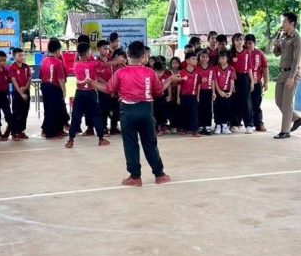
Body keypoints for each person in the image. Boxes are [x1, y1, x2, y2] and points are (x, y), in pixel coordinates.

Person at [105, 41, 170, 186]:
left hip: (127, 112)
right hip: (146, 110)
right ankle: (159, 175)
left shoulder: (120, 72)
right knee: (150, 143)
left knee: (130, 144)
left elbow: (109, 89)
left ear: (128, 54)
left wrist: (92, 83)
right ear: (143, 56)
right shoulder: (150, 72)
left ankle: (135, 177)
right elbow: (159, 92)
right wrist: (170, 80)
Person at [66, 42, 110, 148]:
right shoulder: (93, 64)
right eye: (90, 51)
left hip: (80, 93)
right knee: (96, 115)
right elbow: (106, 64)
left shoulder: (76, 64)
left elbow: (78, 81)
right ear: (87, 53)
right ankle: (101, 139)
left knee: (76, 116)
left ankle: (70, 140)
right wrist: (117, 61)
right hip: (91, 93)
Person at [273, 12, 301, 139]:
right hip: (282, 73)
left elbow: (296, 60)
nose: (283, 24)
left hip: (292, 73)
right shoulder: (283, 36)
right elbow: (277, 54)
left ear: (292, 23)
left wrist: (291, 77)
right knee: (278, 101)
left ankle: (285, 131)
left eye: (285, 22)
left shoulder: (297, 38)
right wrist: (276, 46)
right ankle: (297, 119)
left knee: (287, 103)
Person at [40, 38, 67, 139]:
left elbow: (41, 75)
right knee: (57, 109)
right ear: (57, 50)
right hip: (54, 88)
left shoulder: (44, 60)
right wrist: (64, 91)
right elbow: (61, 79)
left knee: (48, 109)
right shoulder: (58, 62)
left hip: (45, 86)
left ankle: (49, 131)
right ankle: (55, 131)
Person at [229, 33, 254, 132]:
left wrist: (252, 80)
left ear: (243, 41)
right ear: (233, 42)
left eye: (241, 40)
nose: (239, 42)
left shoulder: (247, 52)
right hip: (234, 78)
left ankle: (249, 125)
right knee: (234, 101)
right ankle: (235, 123)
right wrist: (232, 82)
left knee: (246, 101)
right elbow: (229, 69)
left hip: (245, 78)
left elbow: (249, 67)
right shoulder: (231, 53)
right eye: (237, 40)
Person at [245, 34, 268, 132]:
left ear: (254, 43)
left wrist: (266, 82)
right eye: (246, 43)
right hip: (245, 84)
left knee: (256, 104)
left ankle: (259, 124)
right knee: (246, 104)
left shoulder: (260, 54)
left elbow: (265, 68)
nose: (248, 45)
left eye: (250, 43)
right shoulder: (243, 53)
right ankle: (247, 124)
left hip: (257, 83)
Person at [9, 48, 31, 140]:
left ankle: (21, 131)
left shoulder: (26, 67)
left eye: (23, 55)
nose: (22, 57)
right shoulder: (12, 67)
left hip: (26, 91)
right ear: (14, 57)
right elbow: (14, 81)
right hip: (17, 93)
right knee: (16, 112)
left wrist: (25, 88)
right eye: (19, 55)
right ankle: (15, 132)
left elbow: (29, 79)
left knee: (24, 112)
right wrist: (21, 93)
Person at [178, 52, 202, 137]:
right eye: (193, 59)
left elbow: (199, 85)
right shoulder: (182, 72)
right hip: (184, 96)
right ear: (187, 61)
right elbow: (179, 85)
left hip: (193, 96)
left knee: (194, 113)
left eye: (196, 59)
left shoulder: (198, 72)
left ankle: (195, 130)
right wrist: (178, 97)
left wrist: (198, 96)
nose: (196, 61)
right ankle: (184, 129)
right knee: (184, 113)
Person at [213, 50, 235, 134]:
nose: (221, 60)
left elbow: (232, 80)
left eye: (223, 58)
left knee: (227, 108)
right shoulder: (215, 68)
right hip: (218, 92)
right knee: (217, 108)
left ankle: (225, 125)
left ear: (227, 59)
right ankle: (218, 125)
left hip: (227, 91)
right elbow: (214, 80)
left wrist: (230, 91)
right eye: (220, 58)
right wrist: (218, 91)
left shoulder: (231, 68)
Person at [197, 50, 215, 134]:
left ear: (209, 58)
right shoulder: (197, 68)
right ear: (199, 58)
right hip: (199, 91)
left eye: (206, 57)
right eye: (202, 57)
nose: (204, 59)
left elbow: (213, 81)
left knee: (208, 108)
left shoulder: (211, 68)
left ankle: (208, 126)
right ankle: (200, 126)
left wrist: (214, 92)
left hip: (208, 90)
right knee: (200, 108)